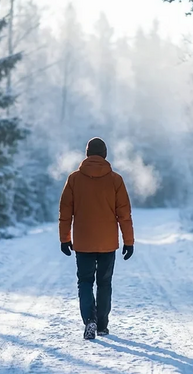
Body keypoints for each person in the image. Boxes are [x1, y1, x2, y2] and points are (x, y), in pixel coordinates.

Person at [59, 137, 135, 340]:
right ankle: (101, 325)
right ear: (105, 155)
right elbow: (124, 214)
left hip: (83, 242)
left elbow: (65, 211)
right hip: (107, 243)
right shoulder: (116, 180)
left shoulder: (74, 179)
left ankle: (89, 320)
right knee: (104, 283)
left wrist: (64, 238)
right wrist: (129, 241)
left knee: (84, 281)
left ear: (87, 154)